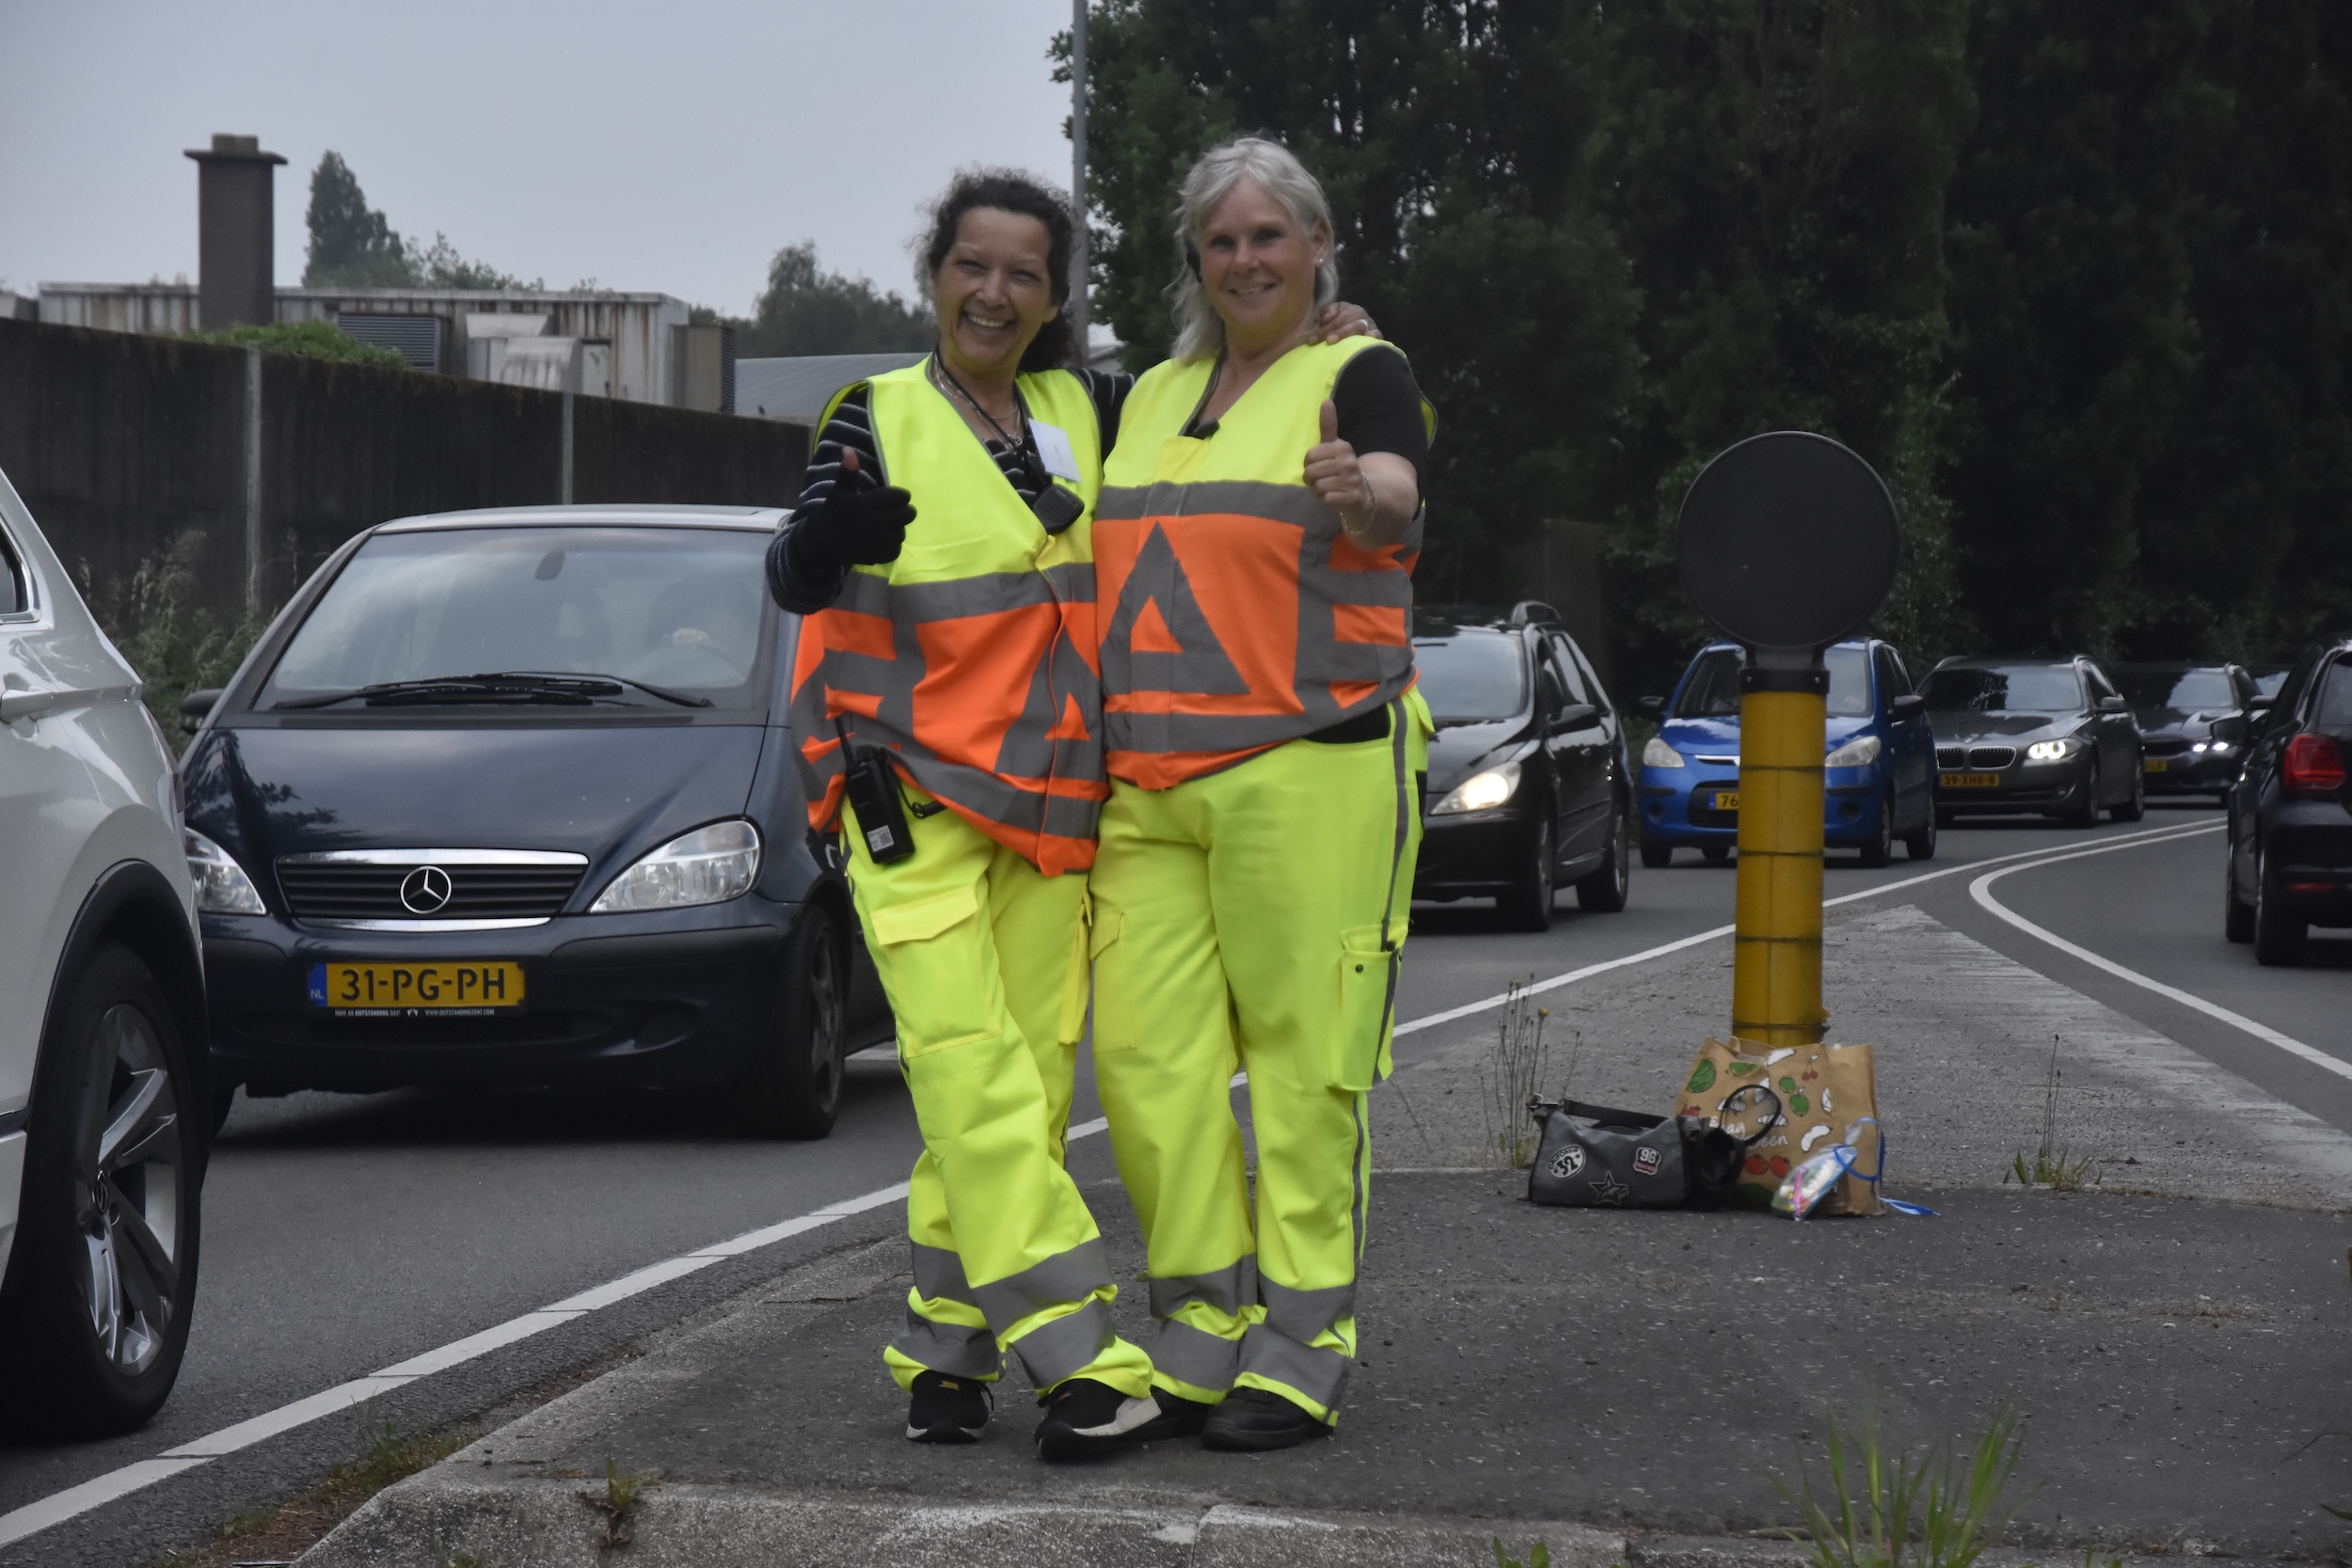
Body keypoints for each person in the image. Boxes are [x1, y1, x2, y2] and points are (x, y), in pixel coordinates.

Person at [767, 167, 1379, 1460]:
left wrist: (1325, 321)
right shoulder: (868, 416)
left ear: (1053, 299)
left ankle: (945, 1345)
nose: (994, 292)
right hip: (910, 806)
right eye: (971, 266)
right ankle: (1081, 1359)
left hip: (1049, 815)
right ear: (933, 272)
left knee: (1024, 1090)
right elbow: (795, 561)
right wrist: (820, 547)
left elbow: (1219, 399)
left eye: (1024, 274)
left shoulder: (1090, 408)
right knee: (971, 1076)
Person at [1086, 136, 1435, 1452]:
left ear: (1317, 245)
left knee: (1303, 1073)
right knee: (1145, 1066)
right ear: (1196, 258)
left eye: (1269, 238)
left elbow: (1396, 491)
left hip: (1311, 765)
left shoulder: (1360, 368)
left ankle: (1304, 1343)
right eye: (1223, 241)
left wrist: (1367, 496)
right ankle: (1202, 1323)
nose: (1245, 260)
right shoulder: (1148, 395)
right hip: (1152, 788)